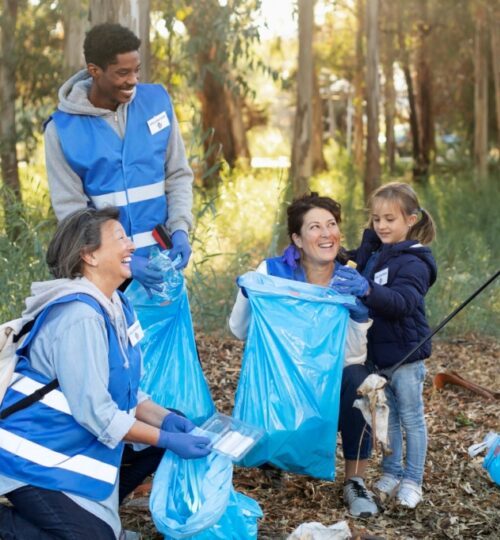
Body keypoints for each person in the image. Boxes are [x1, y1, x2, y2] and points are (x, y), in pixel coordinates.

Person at [0, 207, 211, 540]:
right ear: (89, 256)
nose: (131, 247)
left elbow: (126, 391)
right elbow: (97, 414)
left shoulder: (118, 305)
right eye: (120, 239)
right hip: (31, 455)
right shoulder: (79, 317)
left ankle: (93, 512)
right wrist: (167, 437)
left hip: (74, 442)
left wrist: (167, 422)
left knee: (166, 423)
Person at [228, 193, 378, 518]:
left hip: (324, 385)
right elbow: (240, 331)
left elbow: (352, 356)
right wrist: (248, 294)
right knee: (268, 369)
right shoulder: (272, 271)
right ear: (297, 238)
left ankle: (355, 482)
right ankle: (272, 456)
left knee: (359, 380)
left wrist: (358, 316)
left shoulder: (348, 280)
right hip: (280, 386)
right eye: (314, 227)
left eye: (332, 225)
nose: (327, 234)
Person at [44, 22, 193, 294]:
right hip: (104, 276)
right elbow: (72, 213)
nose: (133, 80)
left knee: (166, 336)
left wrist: (181, 228)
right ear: (94, 71)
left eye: (137, 70)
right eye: (122, 73)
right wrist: (121, 259)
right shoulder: (61, 131)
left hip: (163, 264)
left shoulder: (157, 103)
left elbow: (178, 174)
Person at [339, 182, 437, 510]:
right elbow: (359, 263)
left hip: (406, 356)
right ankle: (392, 472)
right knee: (388, 417)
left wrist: (366, 289)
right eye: (376, 218)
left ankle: (413, 479)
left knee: (412, 418)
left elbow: (402, 302)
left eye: (389, 219)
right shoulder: (379, 251)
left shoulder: (414, 261)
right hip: (380, 355)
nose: (381, 226)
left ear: (411, 220)